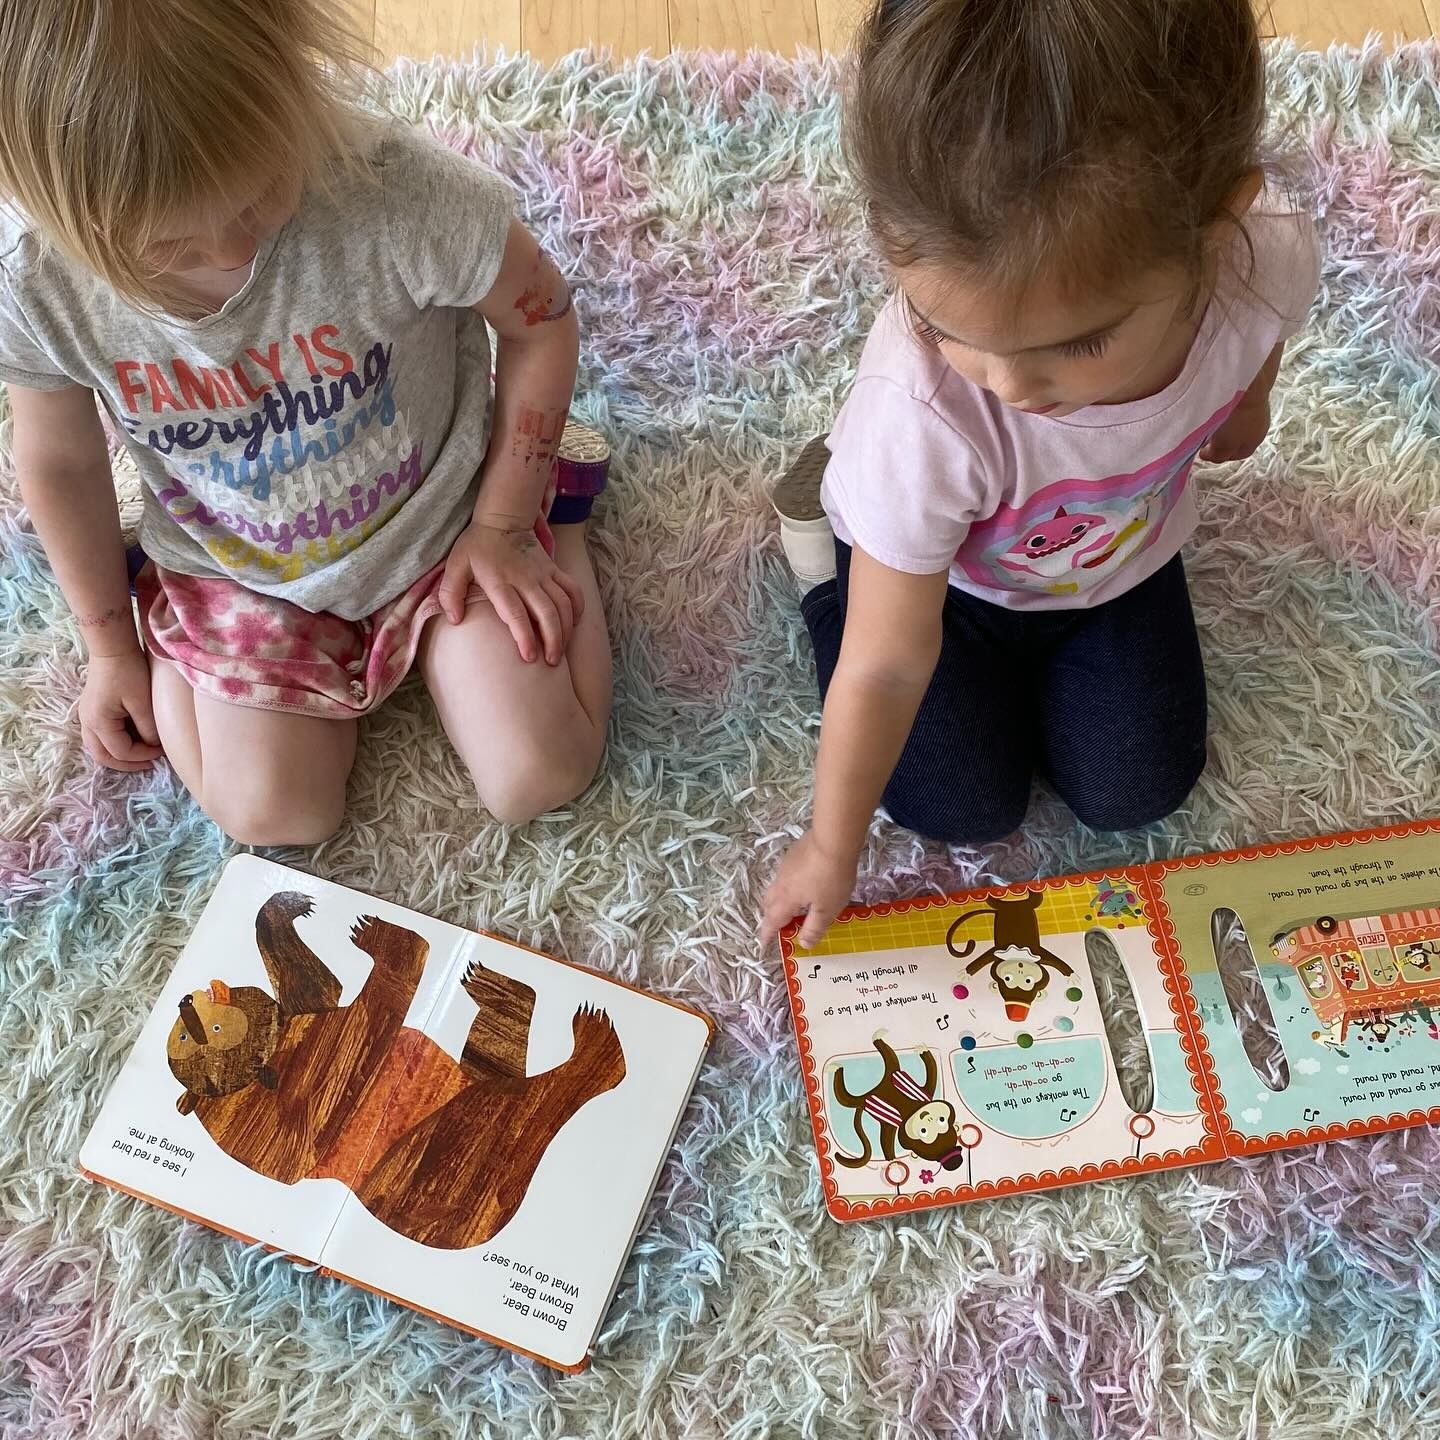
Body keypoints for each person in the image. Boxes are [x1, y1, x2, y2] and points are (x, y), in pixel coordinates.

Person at [762, 0, 1320, 948]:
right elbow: (889, 660)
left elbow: (1263, 338)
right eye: (944, 327)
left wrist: (1251, 403)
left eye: (1081, 342)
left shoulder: (1266, 260)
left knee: (1140, 789)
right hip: (943, 593)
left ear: (1218, 235)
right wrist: (828, 844)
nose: (1011, 387)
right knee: (955, 805)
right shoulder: (921, 413)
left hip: (1115, 570)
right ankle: (822, 561)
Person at [0, 0, 611, 845]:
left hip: (445, 520)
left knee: (540, 771)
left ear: (297, 92)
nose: (224, 251)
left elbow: (541, 319)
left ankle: (563, 509)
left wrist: (506, 521)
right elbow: (59, 462)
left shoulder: (392, 187)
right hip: (237, 567)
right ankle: (169, 627)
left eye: (259, 199)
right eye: (166, 250)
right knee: (273, 816)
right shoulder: (35, 274)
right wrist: (111, 650)